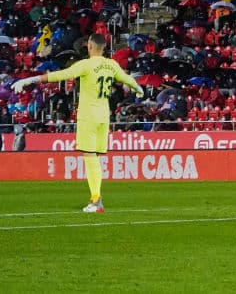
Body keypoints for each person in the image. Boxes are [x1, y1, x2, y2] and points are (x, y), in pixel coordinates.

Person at [12, 34, 143, 213]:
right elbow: (126, 79)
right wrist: (137, 87)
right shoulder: (111, 64)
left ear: (90, 45)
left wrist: (30, 80)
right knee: (95, 158)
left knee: (89, 157)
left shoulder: (86, 64)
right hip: (104, 116)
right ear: (103, 47)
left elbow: (62, 75)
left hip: (88, 115)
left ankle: (96, 200)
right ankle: (96, 198)